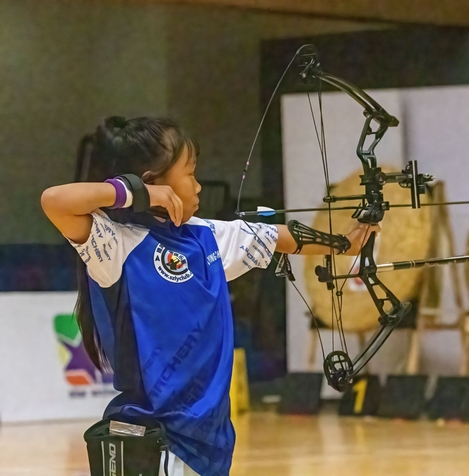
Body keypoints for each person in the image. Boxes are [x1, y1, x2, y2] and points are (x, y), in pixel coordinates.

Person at [40, 116, 377, 476]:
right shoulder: (116, 244)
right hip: (154, 440)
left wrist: (344, 243)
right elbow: (55, 201)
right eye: (190, 174)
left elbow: (278, 236)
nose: (199, 186)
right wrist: (136, 192)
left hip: (209, 441)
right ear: (154, 182)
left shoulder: (205, 237)